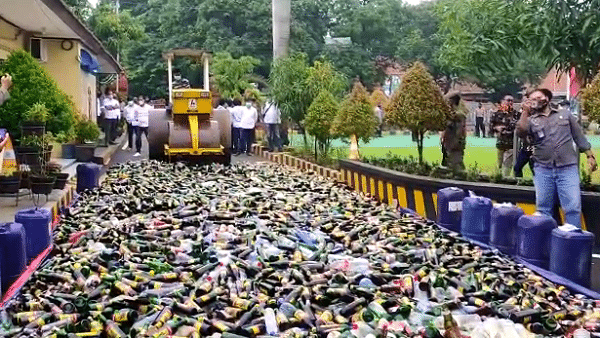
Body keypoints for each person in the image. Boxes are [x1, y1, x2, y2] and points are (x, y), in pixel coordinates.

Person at [516, 88, 597, 228]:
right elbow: (520, 131)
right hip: (543, 168)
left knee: (572, 208)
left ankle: (573, 241)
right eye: (531, 99)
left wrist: (590, 155)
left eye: (538, 97)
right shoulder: (530, 120)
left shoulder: (565, 115)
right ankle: (547, 242)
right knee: (543, 209)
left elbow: (579, 136)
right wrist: (524, 111)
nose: (534, 101)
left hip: (567, 168)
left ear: (547, 99)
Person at [491, 95, 519, 176]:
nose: (510, 103)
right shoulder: (497, 114)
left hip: (511, 145)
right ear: (503, 101)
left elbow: (518, 128)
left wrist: (505, 130)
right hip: (500, 144)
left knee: (506, 168)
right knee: (499, 166)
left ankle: (505, 183)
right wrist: (497, 128)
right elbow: (491, 128)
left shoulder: (516, 115)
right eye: (508, 100)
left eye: (512, 101)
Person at [441, 91, 466, 172]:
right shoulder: (452, 114)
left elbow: (459, 132)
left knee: (456, 166)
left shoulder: (458, 115)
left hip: (454, 145)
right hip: (448, 145)